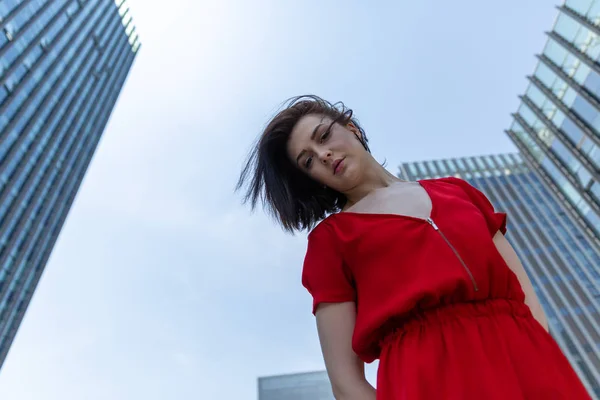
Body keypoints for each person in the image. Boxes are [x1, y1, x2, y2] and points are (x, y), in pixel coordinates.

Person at [237, 95, 591, 399]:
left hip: (527, 361)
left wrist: (540, 360)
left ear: (352, 127)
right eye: (309, 160)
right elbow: (346, 384)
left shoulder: (459, 191)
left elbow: (527, 299)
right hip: (427, 382)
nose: (324, 154)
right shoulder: (330, 241)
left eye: (324, 136)